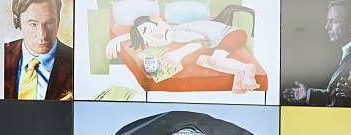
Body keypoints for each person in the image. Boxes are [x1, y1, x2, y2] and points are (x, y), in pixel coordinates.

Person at [105, 12, 260, 94]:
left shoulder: (177, 34)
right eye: (151, 41)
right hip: (221, 39)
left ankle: (247, 69)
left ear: (157, 19)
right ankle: (240, 73)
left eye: (151, 30)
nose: (157, 37)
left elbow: (201, 41)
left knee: (215, 61)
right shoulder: (171, 28)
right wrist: (120, 38)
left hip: (231, 35)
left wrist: (179, 53)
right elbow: (143, 32)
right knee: (203, 61)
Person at [283, 0, 351, 107]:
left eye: (333, 21)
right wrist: (308, 94)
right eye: (328, 21)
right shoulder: (350, 51)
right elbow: (335, 96)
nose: (327, 27)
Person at [4, 0, 73, 100]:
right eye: (33, 24)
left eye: (50, 23)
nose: (42, 36)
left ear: (58, 20)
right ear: (17, 22)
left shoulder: (76, 61)